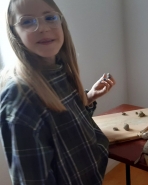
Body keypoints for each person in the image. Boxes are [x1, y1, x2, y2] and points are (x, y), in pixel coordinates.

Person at [0, 0, 115, 184]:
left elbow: (66, 125)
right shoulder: (20, 99)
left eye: (49, 17)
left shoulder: (60, 71)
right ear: (14, 33)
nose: (43, 28)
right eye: (27, 21)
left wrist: (89, 97)